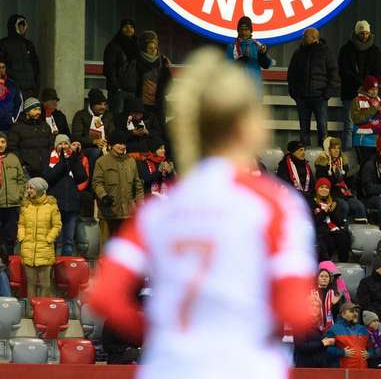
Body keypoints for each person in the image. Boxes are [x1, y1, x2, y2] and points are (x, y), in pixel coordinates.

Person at [86, 47, 317, 379]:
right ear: (249, 127)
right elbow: (297, 311)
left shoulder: (162, 207)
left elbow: (104, 294)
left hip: (170, 366)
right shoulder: (276, 205)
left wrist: (160, 330)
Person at [287, 28, 338, 147]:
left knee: (322, 127)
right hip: (302, 97)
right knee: (304, 129)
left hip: (320, 97)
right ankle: (304, 157)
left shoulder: (325, 52)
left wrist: (326, 93)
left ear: (314, 38)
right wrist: (295, 93)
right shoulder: (298, 53)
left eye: (305, 36)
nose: (303, 39)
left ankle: (324, 157)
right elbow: (291, 74)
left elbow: (334, 74)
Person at [338, 20, 381, 148]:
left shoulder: (375, 51)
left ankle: (366, 152)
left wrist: (369, 86)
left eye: (366, 33)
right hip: (350, 92)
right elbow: (343, 71)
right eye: (361, 33)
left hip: (369, 94)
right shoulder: (346, 50)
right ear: (356, 33)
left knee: (370, 124)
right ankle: (348, 154)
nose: (364, 36)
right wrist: (361, 83)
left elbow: (378, 72)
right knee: (349, 125)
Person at [92, 129, 144, 236]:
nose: (122, 146)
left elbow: (138, 185)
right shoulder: (101, 162)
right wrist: (104, 196)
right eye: (119, 143)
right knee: (107, 247)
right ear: (111, 145)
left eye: (124, 143)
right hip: (108, 213)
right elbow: (97, 183)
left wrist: (141, 204)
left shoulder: (131, 161)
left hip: (128, 214)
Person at [17, 177, 61, 297]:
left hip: (45, 250)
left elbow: (57, 225)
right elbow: (21, 224)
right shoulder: (25, 206)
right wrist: (22, 237)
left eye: (32, 188)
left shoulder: (51, 206)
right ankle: (31, 311)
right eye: (28, 188)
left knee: (45, 284)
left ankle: (42, 310)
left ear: (40, 189)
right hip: (28, 250)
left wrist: (49, 239)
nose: (29, 190)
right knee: (31, 283)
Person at [45, 134, 87, 255]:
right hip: (55, 205)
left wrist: (74, 159)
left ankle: (68, 269)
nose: (63, 146)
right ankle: (57, 270)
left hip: (72, 204)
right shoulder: (49, 158)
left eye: (66, 144)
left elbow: (81, 177)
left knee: (68, 241)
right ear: (55, 146)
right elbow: (49, 177)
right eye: (60, 144)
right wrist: (62, 162)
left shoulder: (74, 159)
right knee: (57, 241)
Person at [314, 136, 365, 221]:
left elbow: (345, 182)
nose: (337, 150)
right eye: (333, 148)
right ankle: (340, 229)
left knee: (359, 205)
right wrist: (333, 174)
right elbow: (324, 185)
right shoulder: (321, 165)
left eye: (338, 148)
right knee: (343, 206)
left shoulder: (343, 163)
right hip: (330, 194)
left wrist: (354, 178)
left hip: (344, 193)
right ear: (328, 149)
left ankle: (361, 230)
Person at [0, 14, 39, 98]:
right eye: (19, 26)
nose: (22, 28)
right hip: (11, 89)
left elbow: (36, 66)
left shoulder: (29, 44)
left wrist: (35, 85)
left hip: (30, 90)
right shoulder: (3, 44)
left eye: (23, 26)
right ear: (13, 27)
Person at [350, 75, 381, 170]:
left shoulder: (378, 100)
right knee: (365, 169)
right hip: (363, 141)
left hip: (377, 141)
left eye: (376, 89)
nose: (375, 91)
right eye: (372, 89)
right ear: (366, 89)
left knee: (376, 170)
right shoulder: (357, 100)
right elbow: (357, 119)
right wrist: (373, 109)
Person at [103, 19, 141, 117]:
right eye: (126, 27)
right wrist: (116, 87)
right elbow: (109, 68)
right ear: (121, 29)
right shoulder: (114, 46)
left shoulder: (137, 46)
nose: (129, 29)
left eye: (131, 27)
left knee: (131, 120)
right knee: (117, 118)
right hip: (118, 92)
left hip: (133, 91)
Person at [8, 97, 53, 177]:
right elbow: (12, 148)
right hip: (27, 171)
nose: (38, 112)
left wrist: (49, 161)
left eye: (39, 109)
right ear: (27, 111)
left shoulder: (45, 126)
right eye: (35, 109)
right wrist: (22, 164)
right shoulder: (17, 127)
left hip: (46, 169)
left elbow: (51, 145)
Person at [135, 30, 173, 123]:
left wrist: (163, 90)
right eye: (150, 48)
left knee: (159, 124)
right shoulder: (137, 61)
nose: (153, 50)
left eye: (155, 47)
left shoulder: (162, 60)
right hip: (142, 100)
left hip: (158, 99)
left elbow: (168, 80)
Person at [309, 178, 350, 262]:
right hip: (320, 230)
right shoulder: (312, 203)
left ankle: (344, 264)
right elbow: (314, 222)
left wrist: (331, 212)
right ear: (317, 189)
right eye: (321, 187)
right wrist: (324, 212)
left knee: (343, 236)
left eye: (326, 188)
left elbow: (339, 222)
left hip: (333, 229)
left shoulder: (334, 203)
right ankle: (326, 266)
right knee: (327, 238)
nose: (324, 189)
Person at [226, 16, 273, 87]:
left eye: (246, 29)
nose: (243, 32)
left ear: (251, 30)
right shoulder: (232, 46)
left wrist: (263, 54)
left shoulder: (257, 45)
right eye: (241, 29)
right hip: (236, 88)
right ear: (238, 30)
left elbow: (266, 65)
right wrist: (237, 64)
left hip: (254, 87)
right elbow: (226, 69)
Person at [324, 301, 372, 369]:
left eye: (356, 311)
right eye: (352, 311)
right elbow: (327, 349)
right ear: (343, 314)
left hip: (362, 371)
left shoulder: (363, 329)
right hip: (343, 372)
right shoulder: (334, 329)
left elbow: (373, 348)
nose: (355, 314)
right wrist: (342, 352)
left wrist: (370, 354)